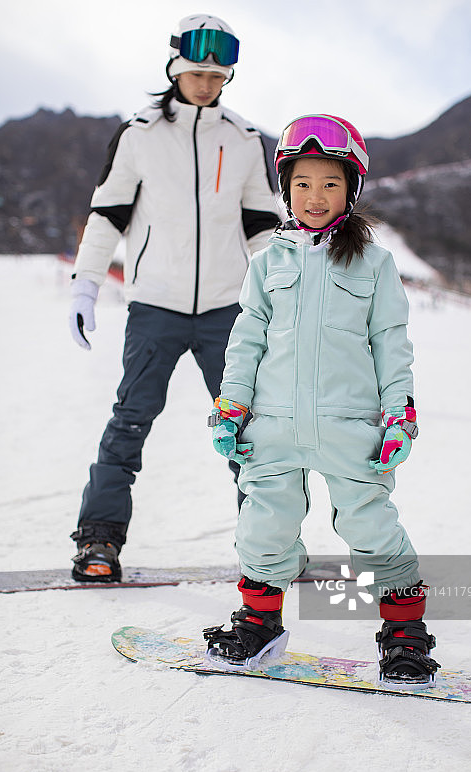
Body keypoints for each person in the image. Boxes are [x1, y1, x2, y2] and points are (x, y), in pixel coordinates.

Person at [204, 114, 440, 687]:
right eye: (303, 183)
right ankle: (259, 623)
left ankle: (404, 635)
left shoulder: (373, 263)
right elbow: (247, 338)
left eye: (330, 183)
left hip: (349, 425)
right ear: (286, 190)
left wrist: (398, 414)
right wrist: (231, 405)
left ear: (350, 190)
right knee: (263, 525)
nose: (315, 196)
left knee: (373, 529)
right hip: (274, 426)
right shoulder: (268, 264)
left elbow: (391, 343)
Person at [69, 14, 280, 582]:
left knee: (247, 427)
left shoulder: (242, 139)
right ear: (175, 69)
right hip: (155, 306)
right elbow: (108, 214)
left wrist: (279, 287)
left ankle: (269, 545)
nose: (207, 84)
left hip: (225, 310)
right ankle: (99, 541)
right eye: (197, 72)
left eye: (218, 74)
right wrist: (87, 282)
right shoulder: (138, 134)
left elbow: (262, 222)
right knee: (130, 420)